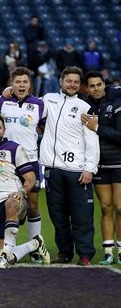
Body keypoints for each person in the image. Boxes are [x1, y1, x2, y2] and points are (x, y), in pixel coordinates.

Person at [0, 115, 50, 268]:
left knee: (11, 202)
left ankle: (5, 256)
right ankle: (34, 244)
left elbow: (31, 178)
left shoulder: (15, 148)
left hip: (15, 201)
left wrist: (21, 192)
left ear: (4, 130)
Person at [40, 66, 99, 265]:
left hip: (77, 171)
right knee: (58, 216)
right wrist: (5, 93)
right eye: (68, 81)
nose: (72, 84)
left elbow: (92, 141)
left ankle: (84, 254)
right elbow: (27, 106)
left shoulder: (85, 108)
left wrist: (90, 168)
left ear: (79, 84)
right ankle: (64, 253)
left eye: (75, 81)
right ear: (61, 81)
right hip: (52, 170)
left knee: (82, 216)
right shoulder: (48, 99)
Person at [0, 66, 46, 263]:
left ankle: (36, 247)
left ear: (30, 85)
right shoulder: (2, 101)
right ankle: (9, 247)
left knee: (33, 205)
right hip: (7, 163)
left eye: (25, 82)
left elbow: (44, 128)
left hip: (30, 161)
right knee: (10, 203)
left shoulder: (39, 105)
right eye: (17, 82)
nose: (21, 85)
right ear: (12, 83)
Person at [81, 74, 121, 265]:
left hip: (119, 163)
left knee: (120, 208)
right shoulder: (85, 106)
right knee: (106, 207)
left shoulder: (117, 101)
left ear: (104, 85)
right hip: (100, 165)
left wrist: (96, 127)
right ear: (86, 88)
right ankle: (108, 252)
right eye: (92, 86)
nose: (96, 88)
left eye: (99, 84)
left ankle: (120, 250)